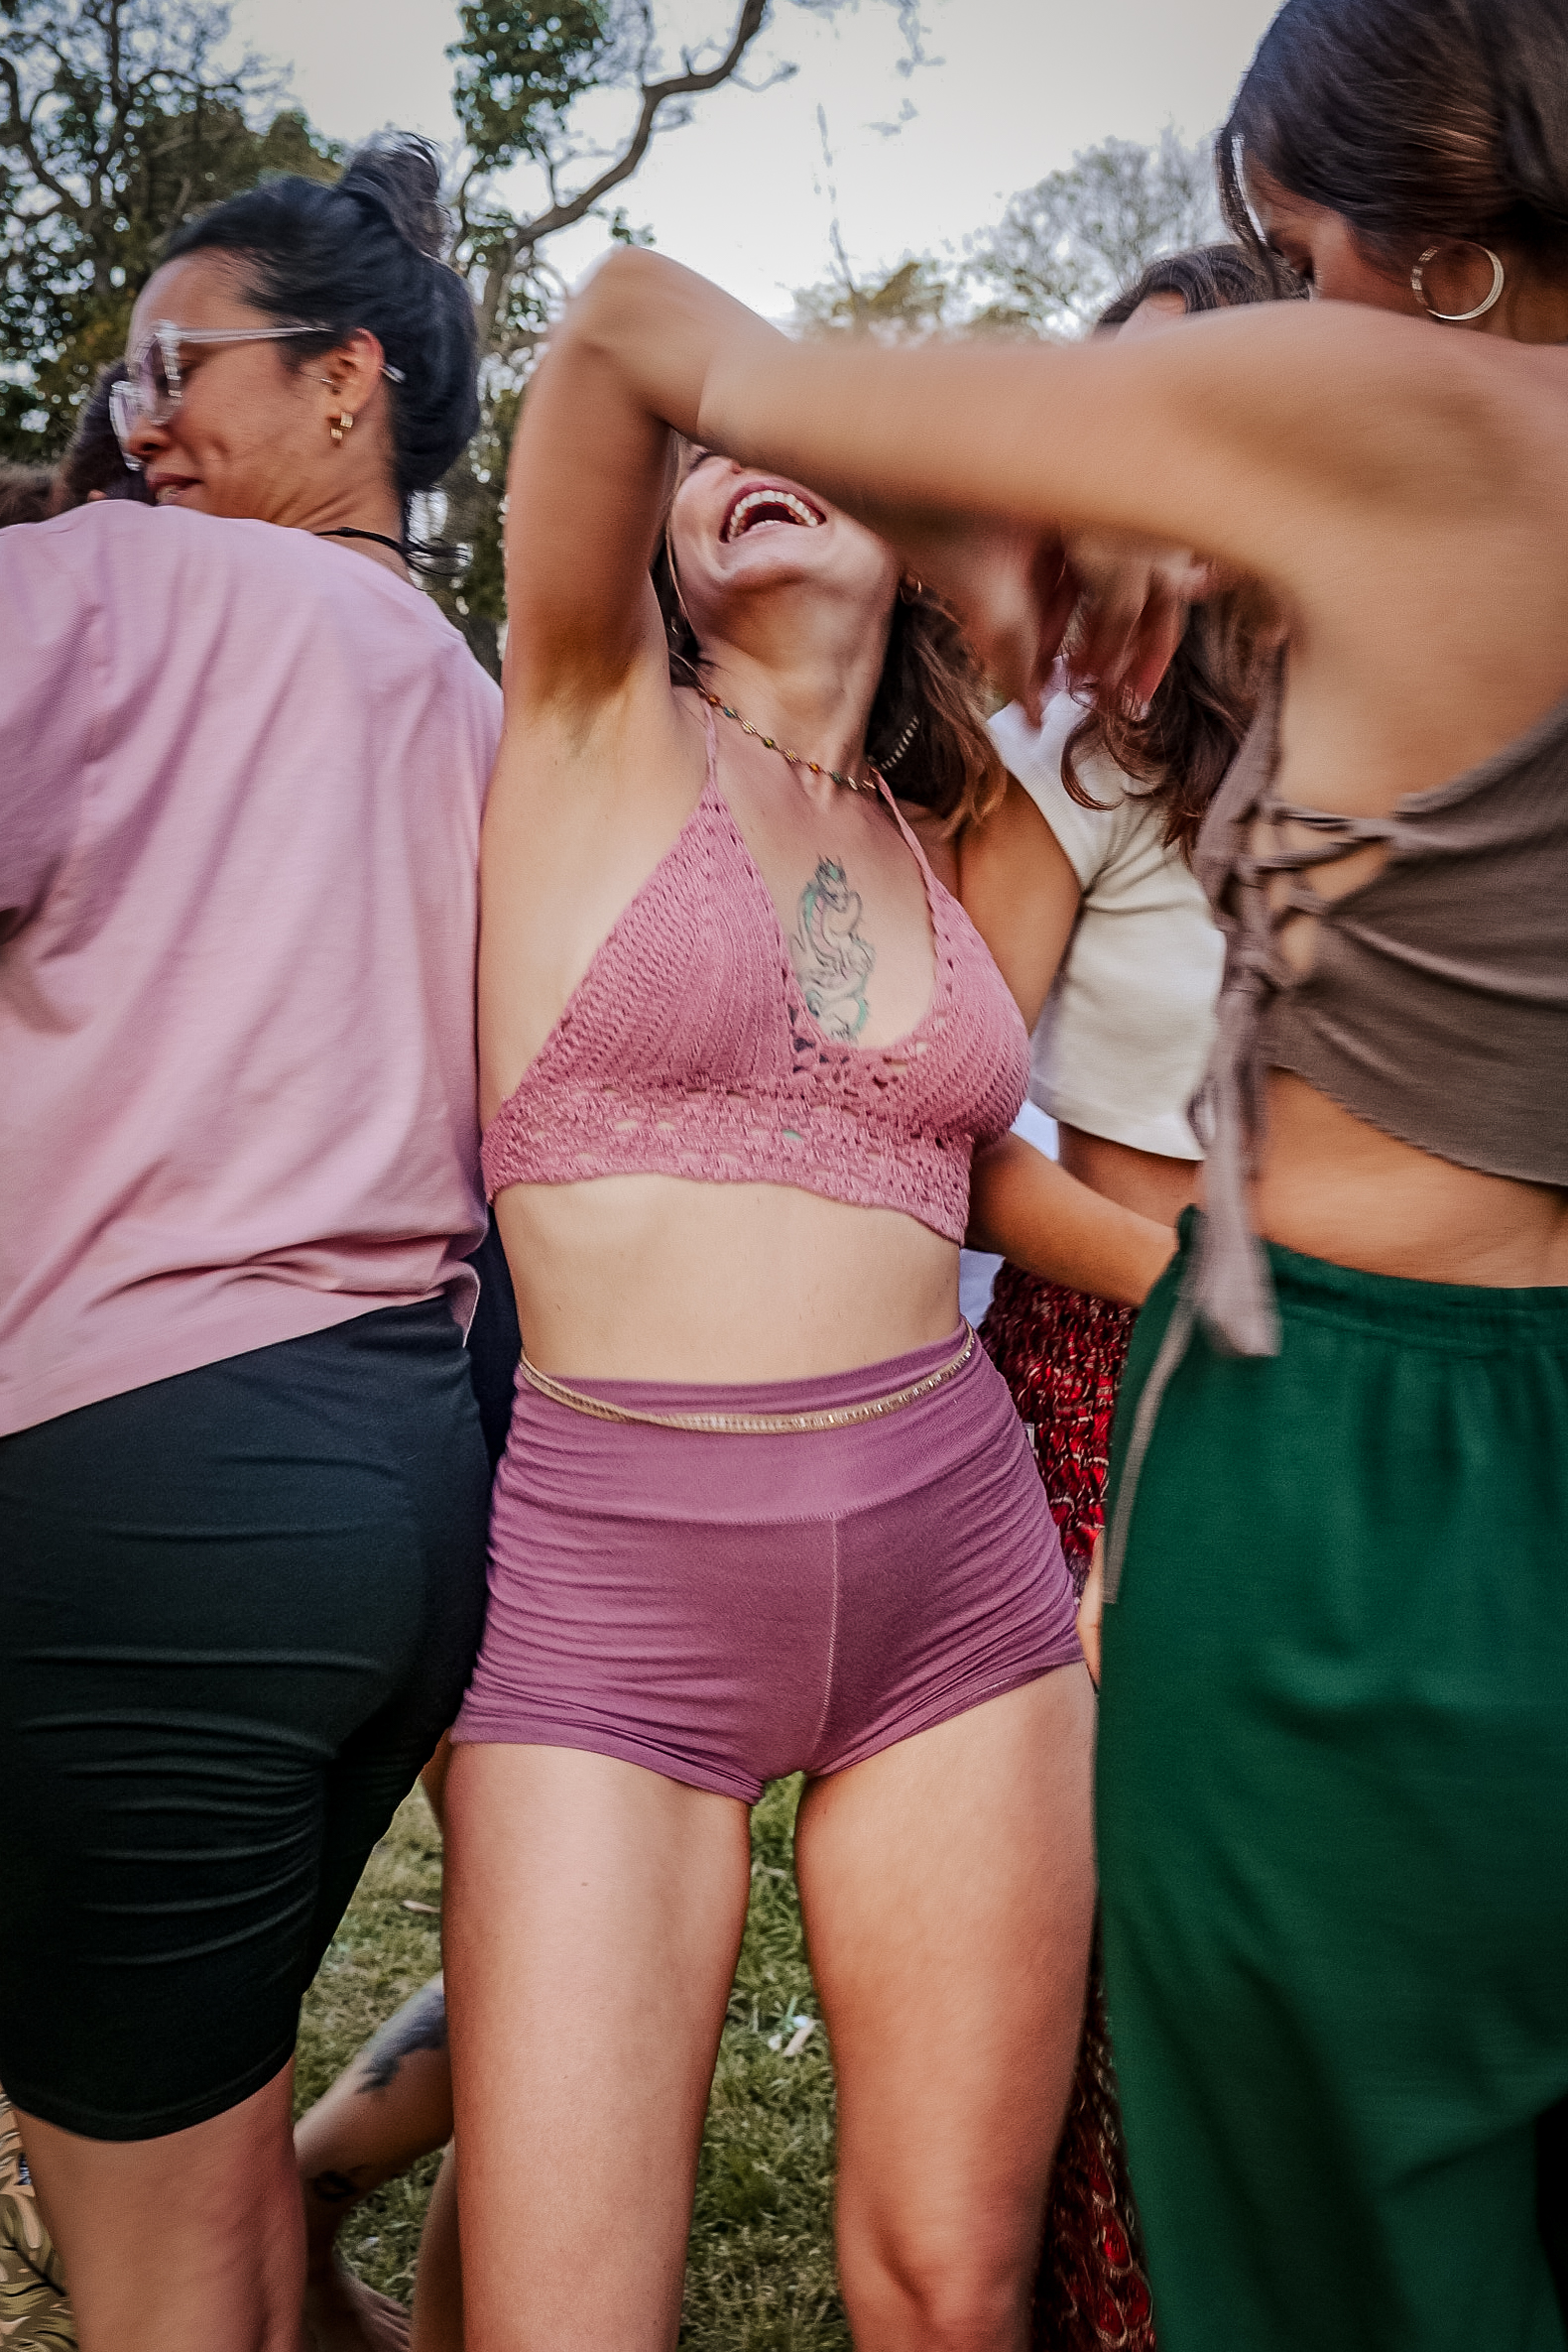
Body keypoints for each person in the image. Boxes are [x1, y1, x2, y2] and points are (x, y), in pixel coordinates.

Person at [536, 24, 1568, 2325]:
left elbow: (633, 326)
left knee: (1323, 2242)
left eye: (1291, 254)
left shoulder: (1380, 407)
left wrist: (1028, 472)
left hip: (1346, 1472)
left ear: (1405, 229)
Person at [436, 202, 1200, 2336]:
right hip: (613, 1591)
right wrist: (904, 467)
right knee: (567, 2311)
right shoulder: (589, 718)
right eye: (708, 467)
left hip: (952, 1560)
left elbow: (997, 1156)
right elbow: (610, 332)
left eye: (799, 457)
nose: (726, 473)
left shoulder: (942, 836)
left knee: (951, 2282)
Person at [0, 134, 499, 2352]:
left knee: (151, 2266)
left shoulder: (113, 591)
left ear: (345, 384)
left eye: (171, 364)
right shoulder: (494, 708)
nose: (136, 420)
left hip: (136, 1476)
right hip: (417, 1486)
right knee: (205, 2150)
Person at [959, 242, 1289, 2352]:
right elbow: (940, 1125)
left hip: (1402, 1382)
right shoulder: (1071, 744)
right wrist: (1213, 1282)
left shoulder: (1454, 695)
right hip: (1112, 1376)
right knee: (1110, 1949)